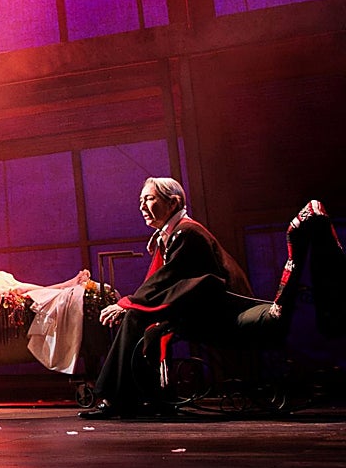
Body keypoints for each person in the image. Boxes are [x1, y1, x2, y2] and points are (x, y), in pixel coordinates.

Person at [79, 177, 253, 419]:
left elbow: (168, 278)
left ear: (173, 203)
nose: (142, 206)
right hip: (198, 300)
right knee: (143, 322)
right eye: (141, 200)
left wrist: (128, 303)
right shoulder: (173, 233)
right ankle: (141, 397)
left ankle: (115, 397)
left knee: (135, 317)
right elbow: (164, 280)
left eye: (149, 199)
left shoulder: (187, 232)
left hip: (218, 305)